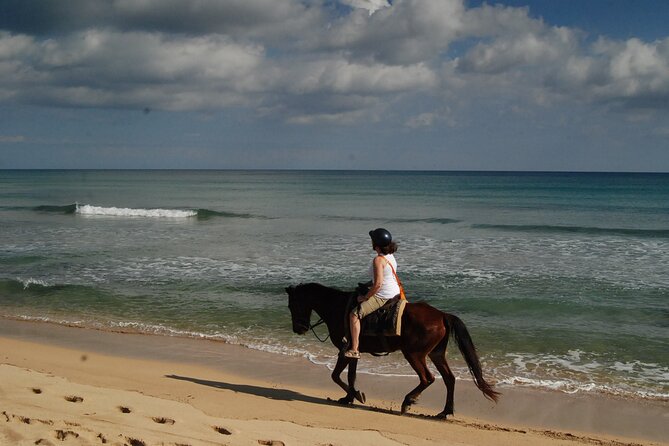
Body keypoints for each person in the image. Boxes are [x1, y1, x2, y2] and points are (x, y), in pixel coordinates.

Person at [344, 228, 401, 359]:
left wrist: (365, 297)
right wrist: (367, 285)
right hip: (395, 291)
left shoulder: (378, 260)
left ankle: (354, 349)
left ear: (375, 244)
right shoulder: (390, 256)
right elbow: (384, 276)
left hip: (383, 295)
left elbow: (378, 284)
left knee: (354, 314)